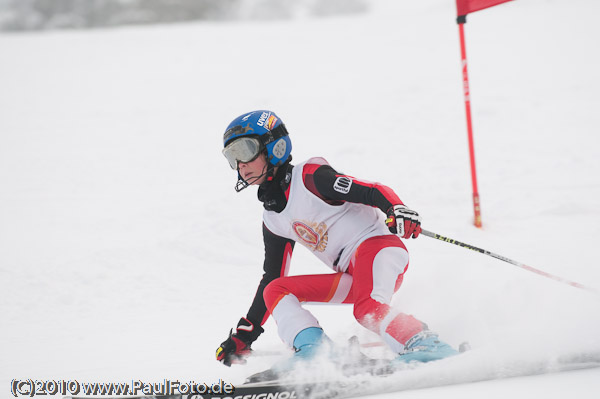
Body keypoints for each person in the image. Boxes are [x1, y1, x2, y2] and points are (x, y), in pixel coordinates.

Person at [216, 110, 457, 372]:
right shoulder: (273, 218)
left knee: (366, 308)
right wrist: (244, 335)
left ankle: (428, 346)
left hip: (377, 249)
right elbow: (271, 276)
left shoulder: (310, 178)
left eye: (245, 150)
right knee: (276, 289)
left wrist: (395, 209)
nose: (240, 164)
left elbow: (371, 190)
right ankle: (317, 354)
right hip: (354, 274)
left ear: (274, 147)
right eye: (232, 157)